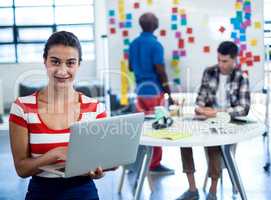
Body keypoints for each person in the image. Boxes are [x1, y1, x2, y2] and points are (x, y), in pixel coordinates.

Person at [9, 31, 110, 200]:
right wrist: (55, 154)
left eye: (70, 63)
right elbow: (22, 169)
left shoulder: (95, 109)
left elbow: (104, 160)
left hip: (84, 192)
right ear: (45, 61)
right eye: (55, 62)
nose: (62, 71)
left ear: (78, 64)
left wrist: (99, 171)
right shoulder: (22, 108)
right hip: (41, 193)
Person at [177, 41, 250, 200]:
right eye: (218, 59)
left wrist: (217, 113)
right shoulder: (209, 72)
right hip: (206, 119)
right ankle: (192, 189)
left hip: (226, 123)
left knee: (213, 142)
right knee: (183, 139)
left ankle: (213, 191)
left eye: (224, 61)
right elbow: (200, 99)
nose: (220, 64)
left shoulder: (241, 77)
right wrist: (200, 108)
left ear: (234, 60)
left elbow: (244, 108)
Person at [129, 12, 175, 175]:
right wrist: (170, 93)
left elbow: (130, 68)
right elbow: (160, 71)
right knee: (158, 127)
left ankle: (137, 163)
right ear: (154, 25)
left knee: (141, 128)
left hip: (140, 91)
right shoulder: (156, 45)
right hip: (155, 92)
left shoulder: (133, 44)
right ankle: (154, 165)